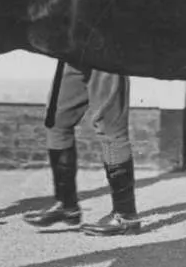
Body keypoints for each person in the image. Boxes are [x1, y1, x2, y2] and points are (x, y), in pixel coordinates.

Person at [22, 61, 139, 237]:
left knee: (111, 130)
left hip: (106, 51)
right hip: (72, 53)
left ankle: (126, 216)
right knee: (56, 122)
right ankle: (67, 205)